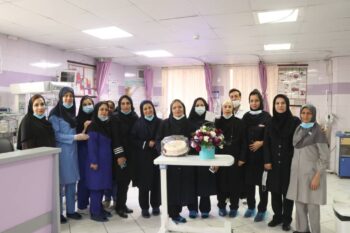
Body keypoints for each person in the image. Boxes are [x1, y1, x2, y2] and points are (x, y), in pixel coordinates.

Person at [287, 104, 330, 233]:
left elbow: (325, 157)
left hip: (312, 174)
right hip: (298, 174)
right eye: (303, 113)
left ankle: (315, 231)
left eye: (308, 113)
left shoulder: (318, 132)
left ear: (314, 115)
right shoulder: (298, 129)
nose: (305, 116)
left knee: (312, 206)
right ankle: (302, 230)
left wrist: (317, 176)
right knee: (299, 204)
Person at [49, 87, 89, 223]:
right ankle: (59, 213)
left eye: (71, 96)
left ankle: (71, 211)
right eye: (65, 96)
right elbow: (56, 135)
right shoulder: (54, 115)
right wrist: (74, 138)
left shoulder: (72, 113)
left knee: (72, 183)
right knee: (60, 184)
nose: (68, 98)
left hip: (73, 153)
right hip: (62, 153)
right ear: (60, 98)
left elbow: (76, 131)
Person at [264, 94, 301, 231]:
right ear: (274, 105)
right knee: (274, 192)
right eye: (277, 103)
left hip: (289, 164)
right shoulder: (270, 122)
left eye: (283, 103)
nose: (280, 105)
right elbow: (266, 143)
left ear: (287, 105)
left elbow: (299, 142)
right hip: (273, 164)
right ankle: (277, 216)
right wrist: (267, 161)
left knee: (288, 194)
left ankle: (286, 219)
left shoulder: (295, 121)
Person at [156, 99, 196, 223]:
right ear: (171, 109)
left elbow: (195, 141)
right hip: (170, 162)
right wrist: (162, 152)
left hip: (186, 161)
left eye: (180, 107)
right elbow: (158, 140)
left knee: (186, 186)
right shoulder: (165, 123)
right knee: (172, 188)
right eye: (174, 107)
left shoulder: (190, 123)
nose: (177, 109)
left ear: (184, 108)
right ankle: (174, 214)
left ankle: (190, 208)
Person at [242, 89, 271, 222]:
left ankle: (262, 209)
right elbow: (242, 137)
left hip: (262, 157)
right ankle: (251, 206)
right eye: (251, 101)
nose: (254, 103)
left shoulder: (266, 116)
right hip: (248, 157)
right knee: (248, 184)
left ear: (261, 101)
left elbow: (272, 137)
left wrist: (262, 143)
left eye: (256, 100)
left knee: (262, 185)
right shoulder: (246, 117)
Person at [215, 99, 247, 218]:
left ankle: (234, 207)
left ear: (233, 109)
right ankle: (221, 206)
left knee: (235, 184)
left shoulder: (239, 122)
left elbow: (244, 141)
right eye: (225, 106)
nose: (227, 108)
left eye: (229, 106)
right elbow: (211, 141)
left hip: (236, 157)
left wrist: (242, 158)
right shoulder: (216, 122)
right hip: (219, 158)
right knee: (221, 183)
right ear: (222, 108)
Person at [131, 100, 162, 218]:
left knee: (156, 182)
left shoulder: (160, 122)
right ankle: (144, 207)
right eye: (145, 109)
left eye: (150, 108)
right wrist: (145, 143)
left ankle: (156, 205)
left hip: (157, 156)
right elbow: (133, 139)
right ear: (142, 111)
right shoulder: (138, 124)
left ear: (153, 108)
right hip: (143, 158)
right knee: (144, 184)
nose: (148, 110)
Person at [187, 97, 216, 218]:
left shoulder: (210, 118)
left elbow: (215, 137)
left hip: (206, 155)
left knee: (205, 182)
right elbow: (186, 136)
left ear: (206, 106)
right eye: (197, 105)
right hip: (192, 155)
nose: (200, 107)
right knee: (191, 182)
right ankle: (192, 209)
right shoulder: (189, 120)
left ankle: (205, 209)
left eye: (202, 104)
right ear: (194, 107)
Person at [111, 95, 139, 218]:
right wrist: (120, 155)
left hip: (132, 155)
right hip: (121, 155)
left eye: (128, 103)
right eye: (123, 103)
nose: (126, 106)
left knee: (126, 181)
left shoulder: (135, 117)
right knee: (121, 181)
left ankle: (123, 204)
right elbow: (115, 138)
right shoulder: (115, 118)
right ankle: (119, 207)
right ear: (119, 105)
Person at [86, 102, 113, 222]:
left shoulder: (106, 125)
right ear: (96, 112)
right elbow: (92, 146)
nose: (104, 112)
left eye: (106, 110)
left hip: (105, 162)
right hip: (96, 162)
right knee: (96, 188)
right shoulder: (93, 126)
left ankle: (100, 209)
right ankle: (95, 212)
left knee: (102, 187)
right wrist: (93, 161)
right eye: (101, 110)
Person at [76, 96, 94, 213]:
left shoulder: (97, 118)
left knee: (94, 177)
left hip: (95, 151)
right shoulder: (77, 119)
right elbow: (77, 137)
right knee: (83, 178)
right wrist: (85, 127)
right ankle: (82, 203)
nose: (88, 106)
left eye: (90, 103)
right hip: (82, 150)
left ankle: (95, 202)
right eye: (85, 104)